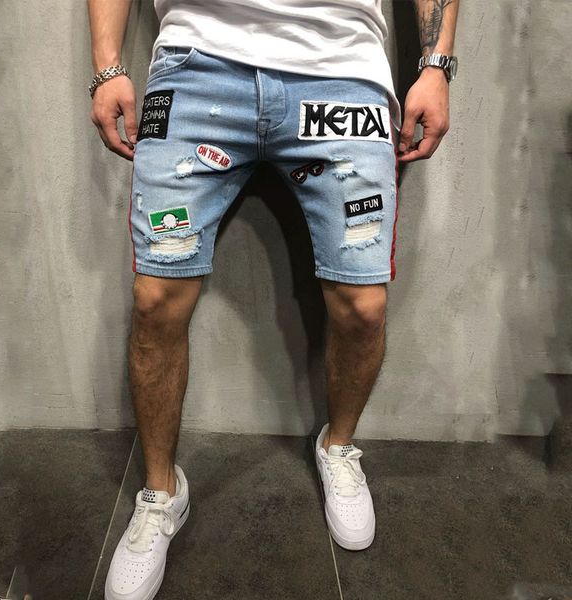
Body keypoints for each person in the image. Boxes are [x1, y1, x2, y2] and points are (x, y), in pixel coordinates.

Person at [87, 0, 459, 597]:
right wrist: (107, 67)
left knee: (363, 306)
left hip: (342, 70)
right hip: (196, 65)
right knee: (155, 298)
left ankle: (338, 447)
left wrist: (436, 66)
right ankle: (161, 493)